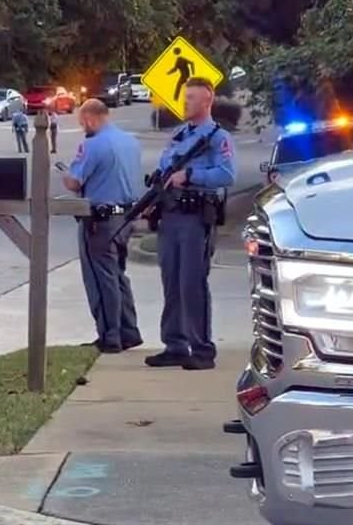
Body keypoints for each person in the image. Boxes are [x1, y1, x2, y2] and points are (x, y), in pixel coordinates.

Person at [146, 77, 236, 371]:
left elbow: (226, 175)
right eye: (185, 98)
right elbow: (164, 168)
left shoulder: (218, 138)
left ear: (207, 101)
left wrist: (192, 176)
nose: (185, 103)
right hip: (170, 215)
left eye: (192, 98)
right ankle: (175, 344)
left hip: (196, 218)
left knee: (191, 284)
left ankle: (202, 348)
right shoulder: (178, 134)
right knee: (170, 281)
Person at [62, 99, 143, 354]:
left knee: (101, 279)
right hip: (126, 217)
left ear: (89, 119)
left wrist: (65, 174)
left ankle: (110, 335)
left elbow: (75, 182)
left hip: (100, 221)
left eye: (81, 122)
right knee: (118, 275)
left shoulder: (92, 144)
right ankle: (129, 331)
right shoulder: (130, 142)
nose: (82, 127)